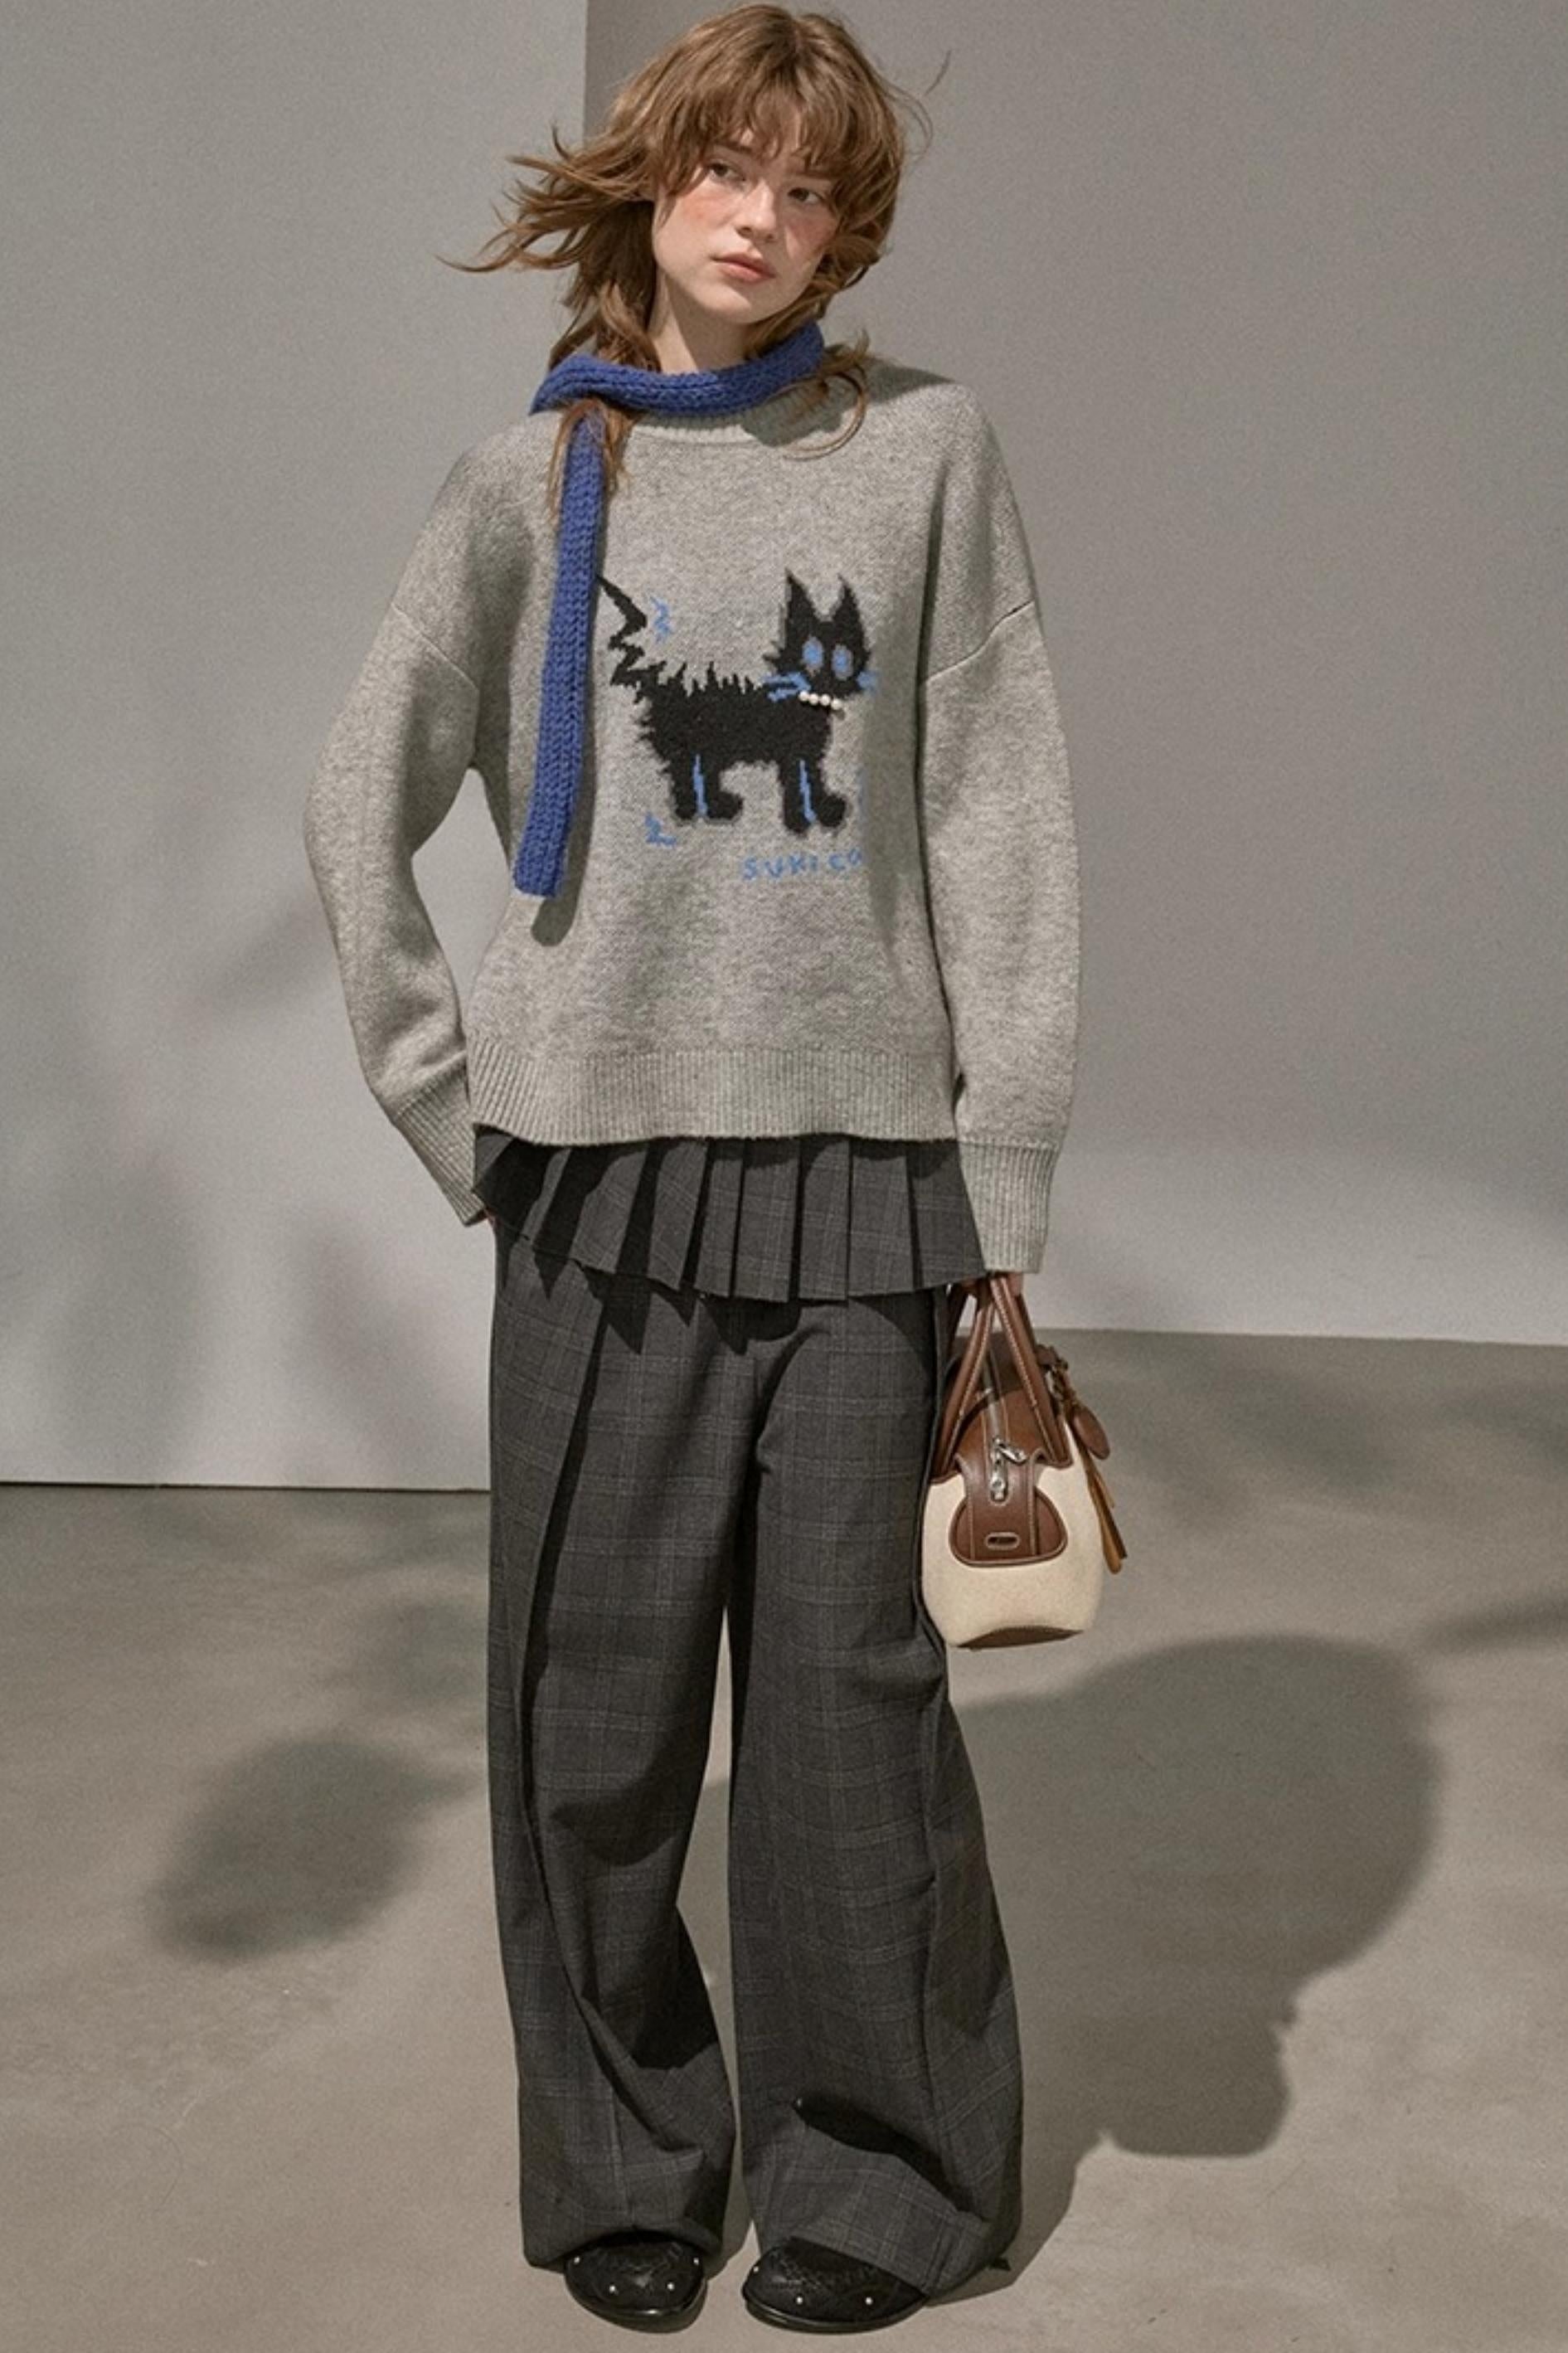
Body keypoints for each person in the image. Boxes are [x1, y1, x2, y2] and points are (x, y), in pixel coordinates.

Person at [302, 4, 1081, 2331]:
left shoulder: (927, 454)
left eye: (812, 185)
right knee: (594, 1711)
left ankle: (881, 2184)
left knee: (855, 1725)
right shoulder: (525, 483)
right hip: (601, 1192)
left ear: (851, 225)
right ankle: (630, 2161)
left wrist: (1004, 1176)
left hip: (867, 1179)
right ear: (649, 182)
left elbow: (997, 817)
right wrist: (451, 1096)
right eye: (729, 168)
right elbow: (361, 791)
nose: (764, 217)